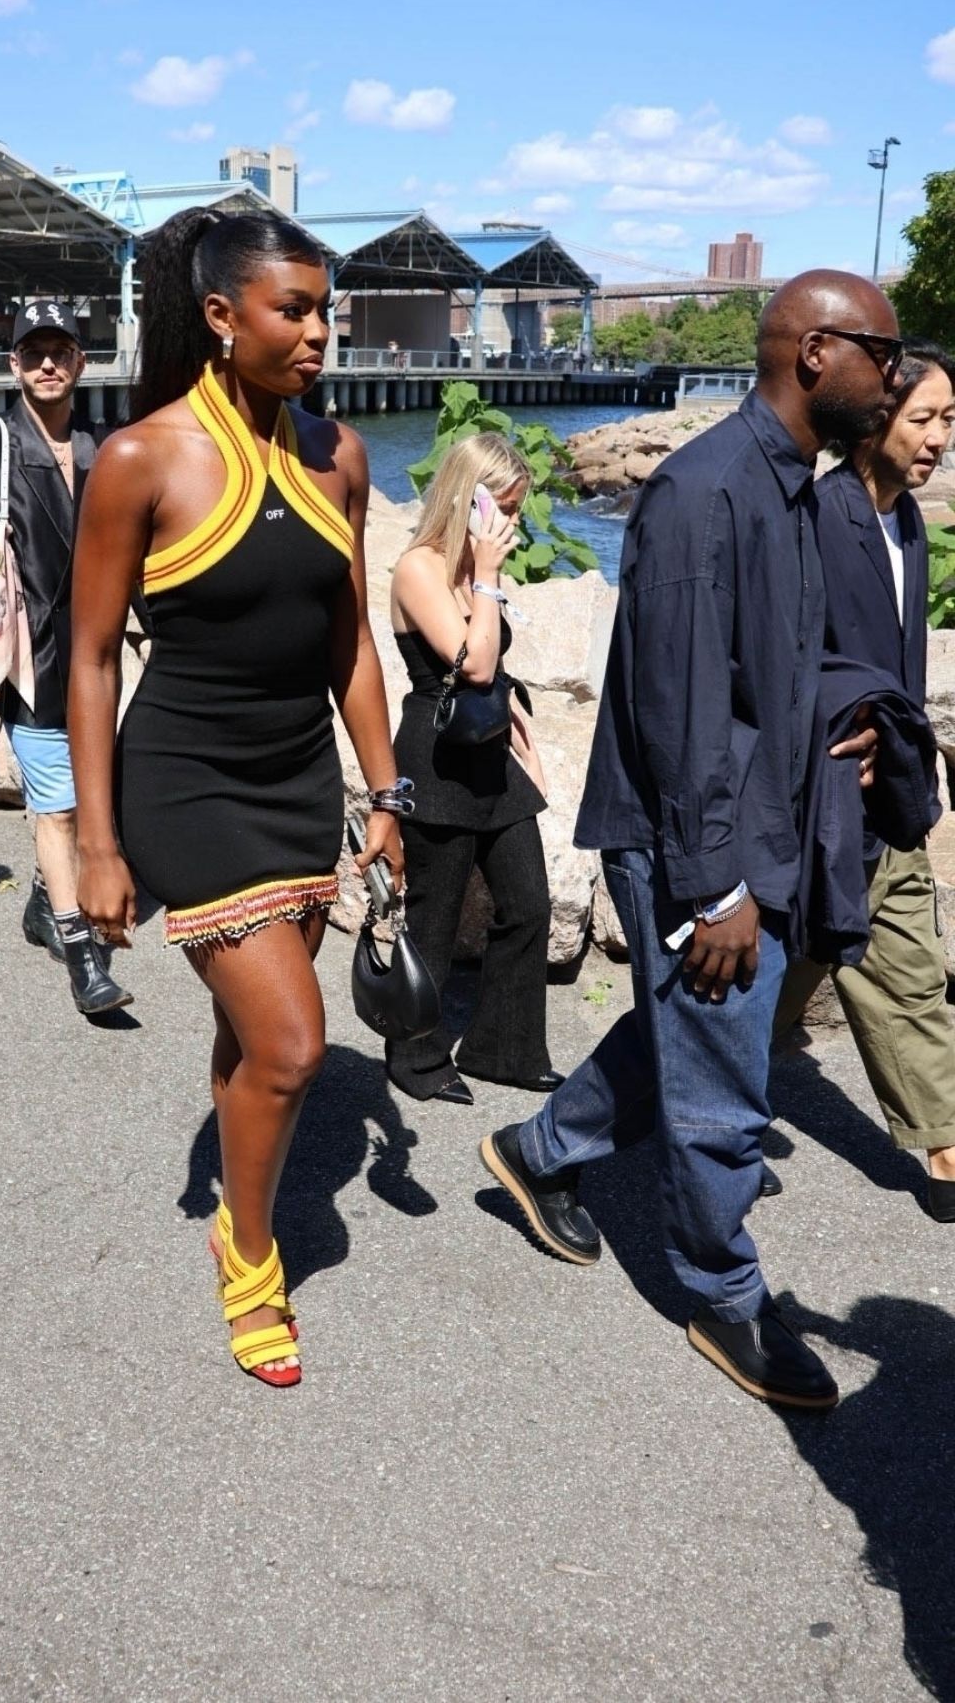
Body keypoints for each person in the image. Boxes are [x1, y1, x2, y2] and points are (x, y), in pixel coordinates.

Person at [478, 269, 899, 1410]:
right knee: (725, 1086)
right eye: (885, 354)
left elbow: (779, 667)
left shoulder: (798, 489)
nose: (898, 377)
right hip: (698, 838)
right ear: (817, 352)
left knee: (698, 1034)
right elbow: (678, 713)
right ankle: (725, 1295)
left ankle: (538, 1152)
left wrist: (854, 721)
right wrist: (716, 890)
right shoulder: (704, 492)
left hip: (756, 816)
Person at [68, 209, 405, 1387]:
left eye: (326, 309)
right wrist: (98, 846)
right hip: (188, 782)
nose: (320, 332)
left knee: (245, 1036)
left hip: (299, 778)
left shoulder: (340, 457)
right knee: (296, 1044)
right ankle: (249, 1254)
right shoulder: (139, 459)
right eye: (294, 310)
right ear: (222, 317)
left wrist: (386, 789)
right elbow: (93, 658)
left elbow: (351, 644)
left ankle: (239, 1179)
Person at [774, 342, 955, 1224]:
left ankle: (946, 1145)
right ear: (877, 418)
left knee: (898, 970)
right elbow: (785, 655)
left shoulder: (908, 522)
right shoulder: (819, 511)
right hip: (822, 797)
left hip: (887, 797)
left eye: (949, 421)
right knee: (747, 990)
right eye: (924, 418)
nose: (939, 439)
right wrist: (853, 728)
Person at [0, 300, 130, 1017]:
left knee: (92, 794)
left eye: (62, 351)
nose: (47, 363)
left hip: (101, 651)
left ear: (81, 362)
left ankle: (46, 901)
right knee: (61, 806)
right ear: (13, 363)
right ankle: (81, 954)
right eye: (33, 351)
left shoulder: (109, 446)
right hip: (31, 655)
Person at [385, 432, 559, 1104]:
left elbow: (496, 673)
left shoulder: (475, 567)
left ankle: (502, 1048)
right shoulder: (419, 568)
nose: (511, 523)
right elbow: (472, 663)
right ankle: (415, 1057)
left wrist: (527, 746)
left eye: (518, 508)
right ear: (469, 497)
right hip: (437, 760)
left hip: (490, 756)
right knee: (435, 915)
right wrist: (486, 574)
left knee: (528, 904)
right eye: (504, 506)